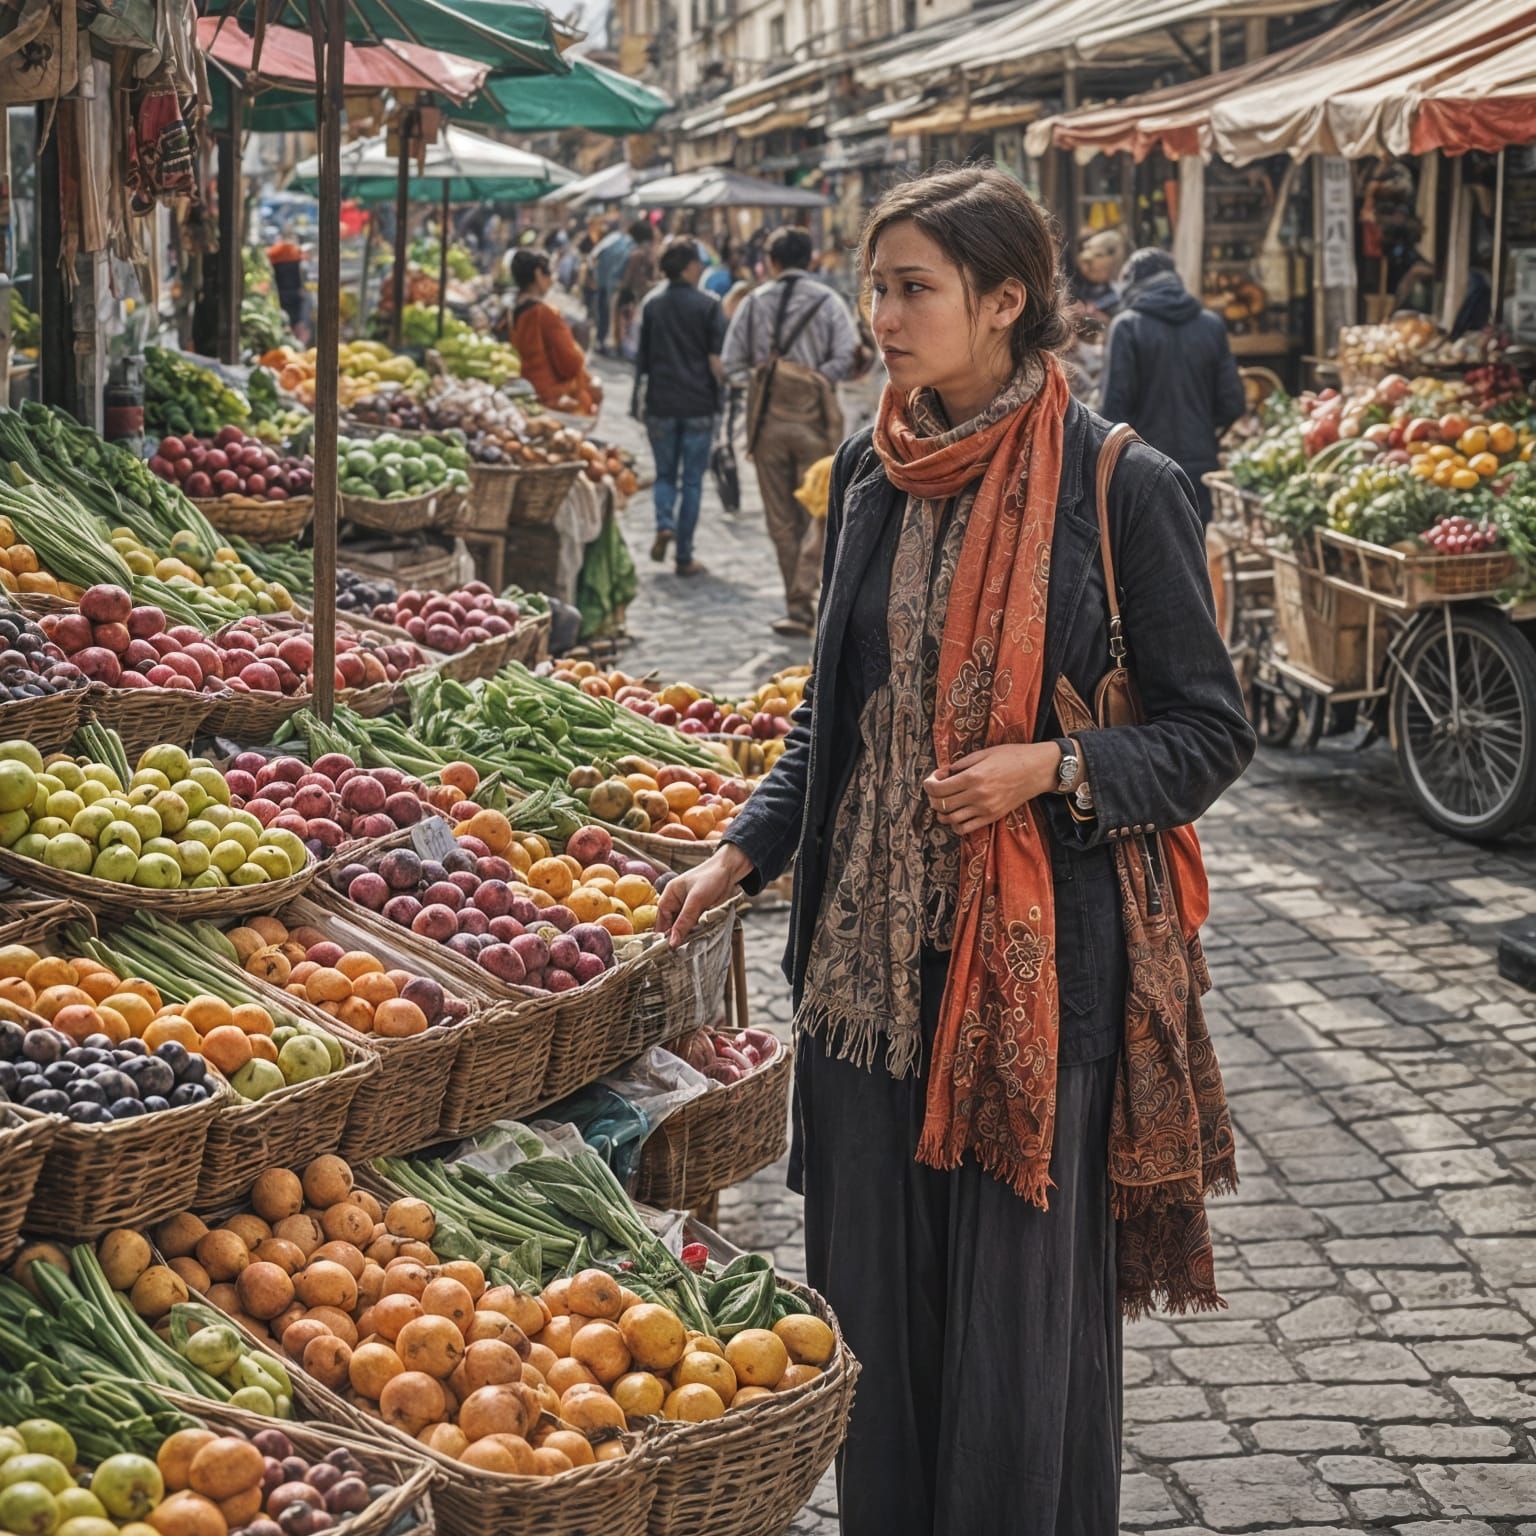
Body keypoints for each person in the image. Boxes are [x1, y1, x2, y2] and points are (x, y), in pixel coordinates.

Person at [658, 166, 1253, 1536]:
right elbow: (837, 722)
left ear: (1005, 300)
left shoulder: (1122, 484)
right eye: (878, 286)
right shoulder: (869, 467)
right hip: (867, 992)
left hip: (1033, 999)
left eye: (914, 288)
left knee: (1013, 1352)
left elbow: (1211, 735)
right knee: (874, 1335)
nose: (884, 315)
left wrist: (1056, 766)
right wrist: (739, 858)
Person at [721, 225, 859, 636]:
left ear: (772, 263)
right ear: (810, 260)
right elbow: (848, 354)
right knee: (820, 512)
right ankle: (818, 598)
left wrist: (767, 378)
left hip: (766, 427)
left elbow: (731, 365)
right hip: (817, 424)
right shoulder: (829, 302)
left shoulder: (753, 303)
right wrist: (814, 379)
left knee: (782, 520)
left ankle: (797, 605)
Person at [1099, 247, 1246, 523]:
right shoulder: (1211, 325)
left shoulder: (1128, 327)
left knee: (1144, 562)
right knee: (1192, 558)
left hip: (1142, 468)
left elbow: (1113, 410)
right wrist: (1201, 429)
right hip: (1200, 465)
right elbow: (1233, 402)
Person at [632, 237, 726, 577]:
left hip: (660, 401)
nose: (702, 267)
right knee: (692, 482)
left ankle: (663, 524)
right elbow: (716, 361)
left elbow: (641, 360)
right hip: (699, 403)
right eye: (698, 262)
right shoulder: (709, 305)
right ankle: (684, 556)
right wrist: (726, 390)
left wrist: (637, 400)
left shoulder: (651, 304)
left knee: (665, 475)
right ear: (687, 267)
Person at [507, 249, 600, 412]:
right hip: (548, 396)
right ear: (537, 275)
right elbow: (570, 364)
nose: (551, 280)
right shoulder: (544, 313)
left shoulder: (511, 308)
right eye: (548, 273)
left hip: (520, 388)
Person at [590, 218, 636, 353]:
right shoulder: (629, 243)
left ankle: (602, 342)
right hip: (614, 283)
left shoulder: (611, 239)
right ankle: (608, 343)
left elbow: (594, 256)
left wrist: (594, 274)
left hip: (604, 281)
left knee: (604, 313)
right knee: (611, 314)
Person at [614, 219, 658, 359]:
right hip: (632, 295)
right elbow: (634, 278)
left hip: (629, 294)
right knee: (628, 326)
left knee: (626, 327)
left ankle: (625, 351)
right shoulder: (639, 254)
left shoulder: (636, 252)